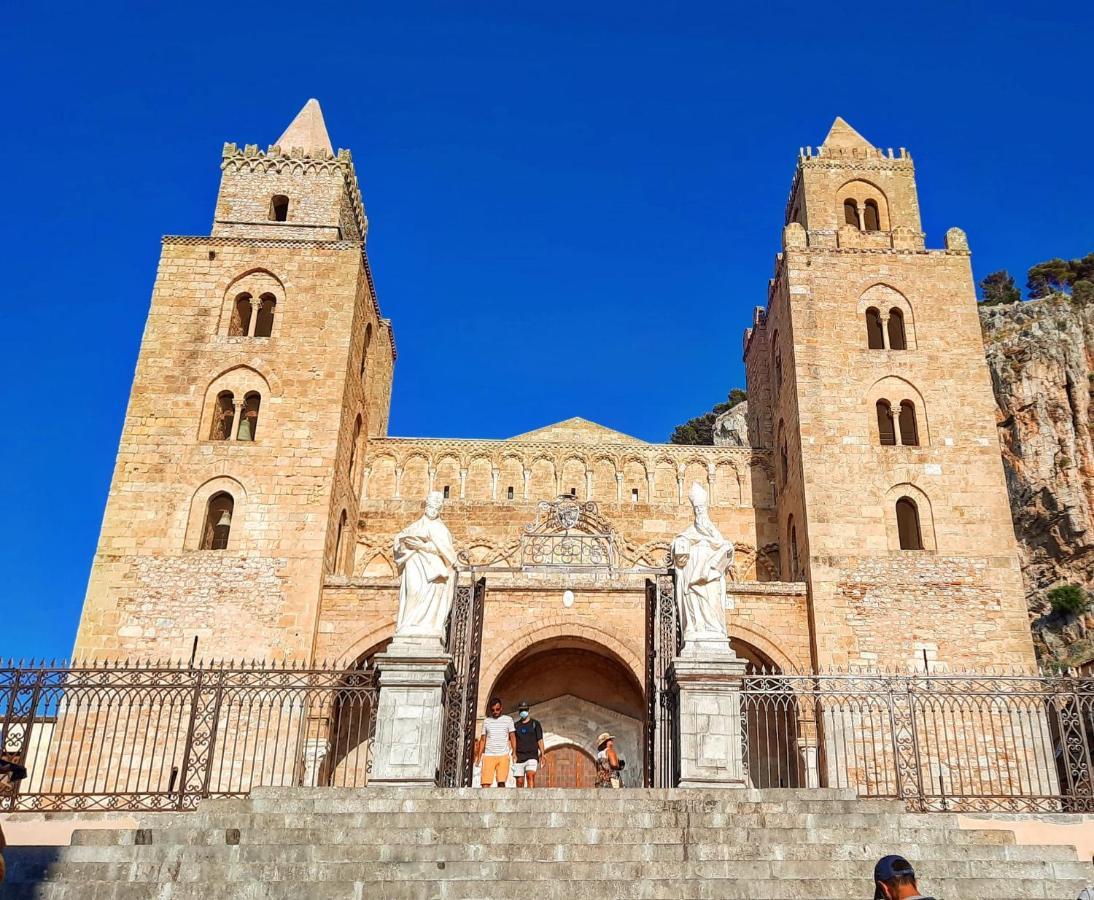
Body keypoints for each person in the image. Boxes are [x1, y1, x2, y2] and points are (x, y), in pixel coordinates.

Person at [475, 697, 515, 788]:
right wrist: (479, 756)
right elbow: (483, 739)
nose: (495, 712)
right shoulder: (487, 721)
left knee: (501, 782)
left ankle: (500, 802)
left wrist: (514, 752)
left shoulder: (508, 720)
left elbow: (512, 737)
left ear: (501, 708)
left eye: (497, 709)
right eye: (493, 710)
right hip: (489, 755)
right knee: (485, 784)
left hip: (503, 755)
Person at [512, 700, 544, 788]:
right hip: (519, 756)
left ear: (528, 710)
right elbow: (512, 739)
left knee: (530, 776)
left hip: (532, 755)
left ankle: (531, 800)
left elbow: (540, 739)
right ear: (519, 711)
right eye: (521, 710)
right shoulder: (516, 725)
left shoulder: (535, 724)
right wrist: (513, 753)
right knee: (519, 781)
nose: (523, 712)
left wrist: (543, 754)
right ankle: (519, 800)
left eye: (525, 710)